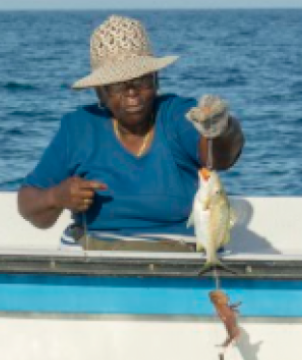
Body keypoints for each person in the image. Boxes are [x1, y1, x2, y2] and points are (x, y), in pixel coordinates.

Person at [18, 15, 245, 251]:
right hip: (95, 257)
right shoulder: (79, 127)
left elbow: (221, 157)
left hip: (179, 255)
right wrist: (56, 197)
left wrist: (221, 127)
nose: (132, 93)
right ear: (100, 93)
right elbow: (28, 204)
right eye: (117, 85)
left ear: (156, 80)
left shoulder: (176, 115)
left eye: (142, 81)